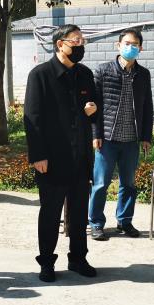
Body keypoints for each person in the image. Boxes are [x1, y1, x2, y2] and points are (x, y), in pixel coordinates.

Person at [24, 24, 99, 283]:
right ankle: (46, 262)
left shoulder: (85, 74)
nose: (80, 46)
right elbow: (32, 118)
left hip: (80, 156)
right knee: (50, 212)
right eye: (75, 41)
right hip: (52, 158)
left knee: (79, 212)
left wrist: (92, 111)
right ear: (60, 44)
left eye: (82, 41)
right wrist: (38, 155)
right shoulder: (40, 75)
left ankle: (78, 258)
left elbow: (93, 110)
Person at [88, 29, 154, 241]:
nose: (130, 47)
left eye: (135, 44)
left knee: (129, 184)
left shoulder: (143, 74)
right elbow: (94, 106)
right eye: (127, 43)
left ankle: (124, 221)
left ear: (140, 48)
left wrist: (146, 136)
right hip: (107, 139)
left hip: (131, 140)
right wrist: (96, 133)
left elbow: (148, 107)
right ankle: (96, 223)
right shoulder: (103, 71)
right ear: (118, 45)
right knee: (100, 184)